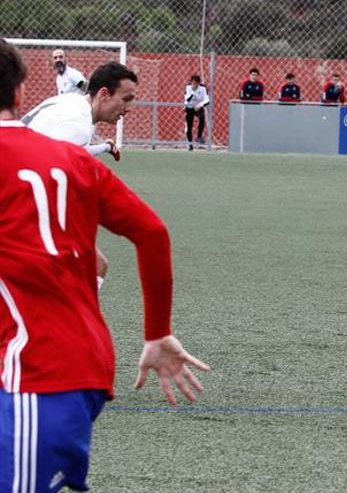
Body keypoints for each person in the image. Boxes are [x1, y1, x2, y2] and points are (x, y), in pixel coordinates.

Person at [0, 38, 209, 493]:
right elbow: (153, 233)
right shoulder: (72, 153)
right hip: (77, 366)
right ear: (19, 95)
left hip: (37, 378)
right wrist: (157, 331)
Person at [22, 61, 138, 290]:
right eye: (125, 99)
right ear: (104, 94)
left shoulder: (72, 102)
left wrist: (104, 147)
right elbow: (50, 167)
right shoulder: (79, 125)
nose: (128, 108)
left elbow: (66, 151)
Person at [184, 74, 210, 151]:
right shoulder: (188, 88)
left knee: (202, 118)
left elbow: (207, 100)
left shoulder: (203, 88)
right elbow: (187, 100)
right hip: (189, 107)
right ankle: (190, 144)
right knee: (189, 126)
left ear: (199, 84)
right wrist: (192, 93)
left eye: (196, 84)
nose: (194, 86)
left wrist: (200, 105)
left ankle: (199, 136)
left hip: (198, 107)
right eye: (193, 83)